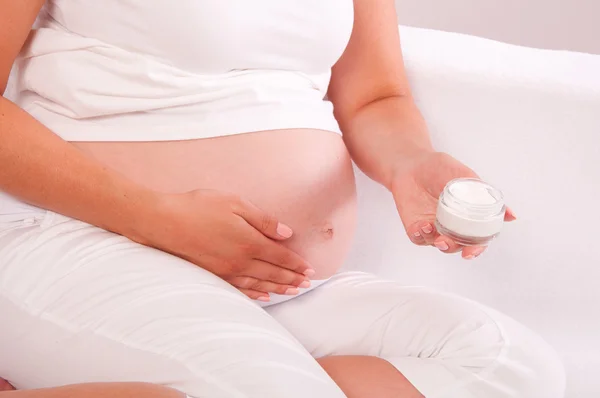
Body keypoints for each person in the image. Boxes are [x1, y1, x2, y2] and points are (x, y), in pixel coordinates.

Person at [0, 0, 565, 397]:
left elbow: (374, 96)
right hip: (77, 243)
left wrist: (411, 163)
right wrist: (155, 218)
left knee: (512, 369)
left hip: (281, 284)